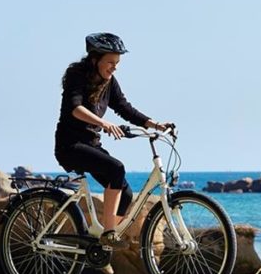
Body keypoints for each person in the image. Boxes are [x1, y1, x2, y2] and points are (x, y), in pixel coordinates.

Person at [54, 32, 173, 247]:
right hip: (70, 145)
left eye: (117, 63)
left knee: (125, 194)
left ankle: (103, 242)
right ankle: (109, 234)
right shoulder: (76, 75)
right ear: (94, 59)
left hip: (91, 145)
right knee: (116, 168)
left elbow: (124, 108)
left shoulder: (109, 82)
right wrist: (104, 124)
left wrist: (154, 124)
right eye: (110, 62)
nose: (114, 67)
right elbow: (75, 109)